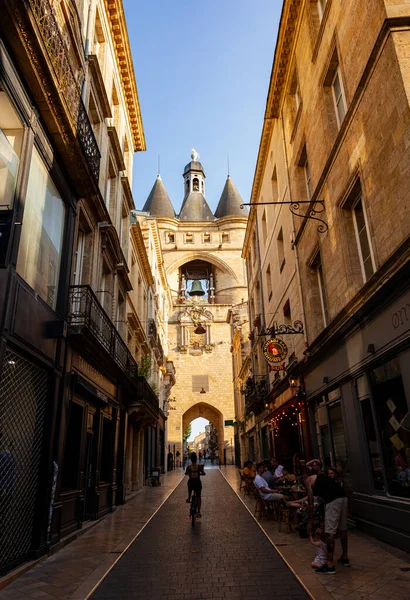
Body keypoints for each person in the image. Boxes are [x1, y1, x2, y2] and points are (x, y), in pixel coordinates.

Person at [305, 462, 350, 574]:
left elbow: (310, 503)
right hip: (343, 497)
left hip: (333, 501)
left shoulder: (308, 481)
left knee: (330, 533)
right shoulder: (322, 477)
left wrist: (310, 522)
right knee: (343, 529)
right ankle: (344, 557)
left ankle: (329, 565)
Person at [185, 452, 205, 517]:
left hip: (191, 483)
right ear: (196, 459)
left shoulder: (189, 467)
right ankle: (199, 512)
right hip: (197, 483)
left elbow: (186, 473)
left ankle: (189, 497)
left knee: (189, 486)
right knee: (198, 496)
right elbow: (203, 473)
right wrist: (201, 473)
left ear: (191, 459)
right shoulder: (199, 467)